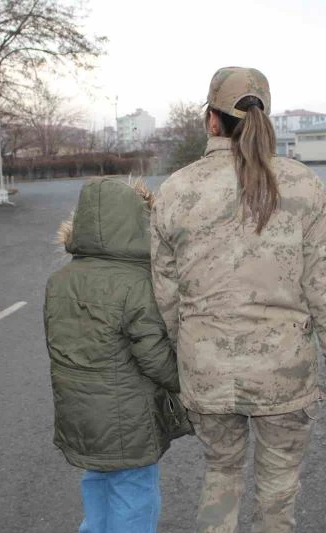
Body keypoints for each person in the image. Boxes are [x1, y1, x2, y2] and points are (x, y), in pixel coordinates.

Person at [151, 66, 326, 533]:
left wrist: (181, 356)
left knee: (220, 475)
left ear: (212, 121)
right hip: (285, 376)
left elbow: (165, 296)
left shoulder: (176, 191)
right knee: (278, 488)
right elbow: (325, 289)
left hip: (207, 373)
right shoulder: (303, 186)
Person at [44, 178, 190, 533]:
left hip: (78, 411)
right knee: (134, 493)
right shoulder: (136, 282)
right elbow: (152, 355)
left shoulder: (60, 279)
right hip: (126, 417)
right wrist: (185, 381)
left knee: (96, 483)